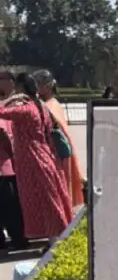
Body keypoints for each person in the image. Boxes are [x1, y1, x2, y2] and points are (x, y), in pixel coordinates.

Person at [0, 73, 72, 244]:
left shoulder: (25, 110)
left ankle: (55, 240)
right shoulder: (39, 106)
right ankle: (54, 238)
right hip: (43, 156)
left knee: (47, 200)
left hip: (33, 159)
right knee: (48, 198)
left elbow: (1, 111)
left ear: (22, 89)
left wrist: (11, 99)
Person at [34, 70, 84, 210]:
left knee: (60, 188)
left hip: (58, 153)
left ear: (48, 86)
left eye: (38, 84)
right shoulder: (49, 103)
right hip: (56, 152)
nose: (36, 87)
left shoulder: (48, 106)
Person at [0, 71, 25, 251]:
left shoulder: (19, 103)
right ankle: (14, 238)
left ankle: (17, 237)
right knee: (9, 204)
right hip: (6, 163)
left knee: (12, 203)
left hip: (11, 162)